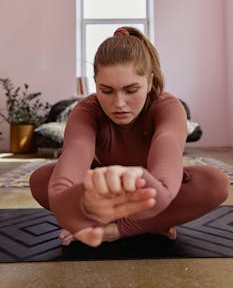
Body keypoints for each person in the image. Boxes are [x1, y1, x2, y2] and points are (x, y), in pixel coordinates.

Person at [30, 26, 230, 248]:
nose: (119, 103)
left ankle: (115, 228)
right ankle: (152, 224)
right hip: (104, 189)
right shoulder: (86, 111)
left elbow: (164, 187)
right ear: (95, 82)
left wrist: (114, 226)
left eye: (131, 90)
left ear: (150, 82)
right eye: (106, 91)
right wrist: (76, 201)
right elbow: (64, 181)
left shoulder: (168, 108)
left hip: (148, 189)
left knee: (215, 183)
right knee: (40, 180)